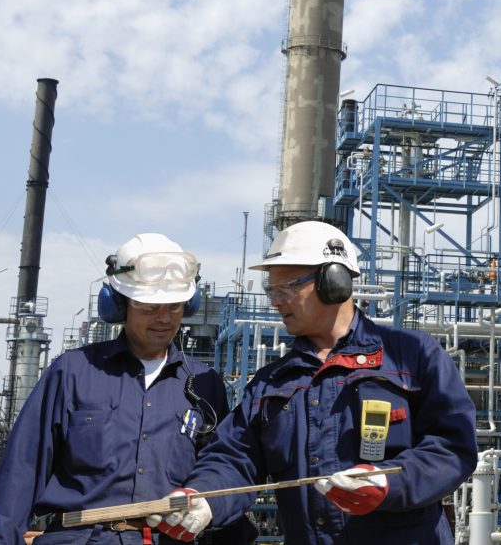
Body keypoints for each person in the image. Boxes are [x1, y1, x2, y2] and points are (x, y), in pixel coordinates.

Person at [150, 221, 477, 545]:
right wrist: (203, 498)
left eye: (286, 289)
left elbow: (452, 447)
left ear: (333, 282)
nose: (275, 301)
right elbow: (234, 458)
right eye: (272, 291)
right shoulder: (271, 384)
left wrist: (388, 484)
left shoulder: (412, 356)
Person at [0, 233, 254, 545]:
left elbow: (224, 468)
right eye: (149, 306)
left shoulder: (204, 385)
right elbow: (20, 473)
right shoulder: (73, 373)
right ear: (119, 304)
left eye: (174, 306)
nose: (164, 318)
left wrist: (208, 504)